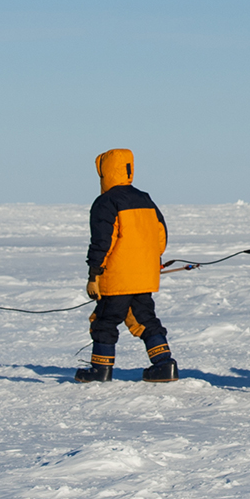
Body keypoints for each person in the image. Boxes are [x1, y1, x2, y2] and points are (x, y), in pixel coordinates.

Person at [75, 148, 179, 383]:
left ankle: (100, 370)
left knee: (104, 321)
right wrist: (147, 260)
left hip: (117, 277)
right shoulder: (145, 198)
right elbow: (160, 236)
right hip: (144, 276)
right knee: (144, 319)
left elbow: (103, 241)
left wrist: (94, 274)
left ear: (105, 171)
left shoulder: (106, 202)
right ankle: (164, 365)